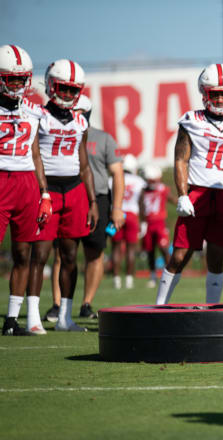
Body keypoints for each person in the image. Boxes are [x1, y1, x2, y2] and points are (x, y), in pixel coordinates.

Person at [155, 63, 223, 305]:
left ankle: (212, 308)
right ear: (204, 93)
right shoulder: (191, 120)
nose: (220, 99)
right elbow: (181, 159)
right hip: (197, 193)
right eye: (215, 93)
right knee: (179, 254)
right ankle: (158, 307)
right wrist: (182, 195)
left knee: (217, 257)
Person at [27, 59, 99, 332]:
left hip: (74, 190)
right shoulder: (38, 116)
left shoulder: (81, 120)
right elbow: (35, 157)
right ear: (50, 86)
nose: (68, 94)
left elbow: (84, 164)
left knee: (70, 256)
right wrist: (43, 190)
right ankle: (33, 316)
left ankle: (65, 318)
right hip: (48, 191)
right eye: (63, 88)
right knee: (41, 254)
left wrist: (92, 201)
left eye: (72, 89)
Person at [43, 95, 125, 321]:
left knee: (95, 252)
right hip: (65, 193)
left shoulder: (104, 138)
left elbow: (117, 173)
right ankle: (57, 304)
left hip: (97, 197)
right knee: (61, 253)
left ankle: (86, 303)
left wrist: (117, 207)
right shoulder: (53, 130)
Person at [0, 45, 50, 336]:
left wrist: (44, 191)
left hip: (26, 183)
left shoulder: (34, 112)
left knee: (24, 253)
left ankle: (11, 320)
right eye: (12, 79)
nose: (18, 85)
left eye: (22, 79)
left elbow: (35, 154)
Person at [110, 153, 145, 290]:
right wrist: (143, 222)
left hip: (117, 214)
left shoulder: (112, 179)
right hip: (132, 215)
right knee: (131, 249)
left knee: (116, 248)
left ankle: (116, 279)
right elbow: (142, 203)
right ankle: (129, 279)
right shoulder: (139, 181)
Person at [141, 164, 175, 288]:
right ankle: (152, 276)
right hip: (148, 223)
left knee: (164, 248)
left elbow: (172, 199)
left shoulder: (162, 189)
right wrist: (142, 222)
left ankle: (170, 275)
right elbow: (141, 206)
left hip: (160, 223)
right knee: (150, 251)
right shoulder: (144, 190)